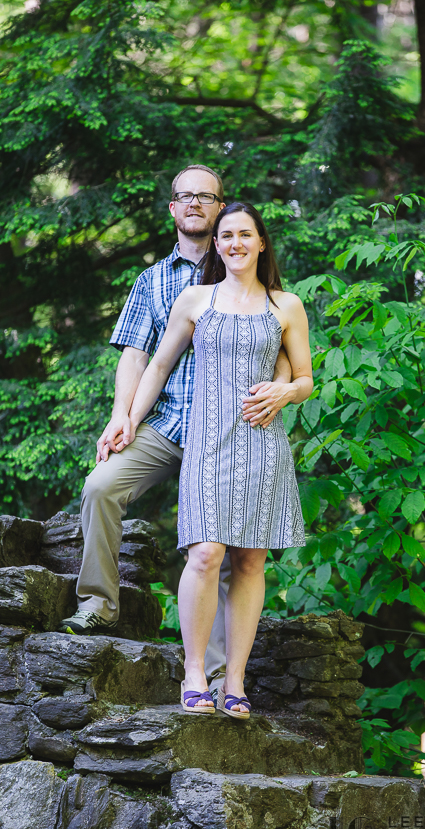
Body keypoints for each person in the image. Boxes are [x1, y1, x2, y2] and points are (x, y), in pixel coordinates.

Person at [58, 166, 293, 700]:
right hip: (167, 423)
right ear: (172, 208)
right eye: (184, 196)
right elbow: (139, 357)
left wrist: (278, 390)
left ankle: (215, 674)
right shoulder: (154, 280)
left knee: (227, 551)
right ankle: (98, 603)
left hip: (234, 434)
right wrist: (124, 416)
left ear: (222, 208)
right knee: (101, 486)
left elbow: (283, 342)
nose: (194, 204)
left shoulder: (243, 263)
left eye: (205, 197)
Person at [126, 201, 313, 717]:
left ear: (261, 243)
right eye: (225, 235)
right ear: (216, 244)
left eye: (244, 235)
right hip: (206, 445)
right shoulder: (195, 299)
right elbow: (158, 366)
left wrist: (284, 394)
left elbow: (304, 378)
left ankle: (235, 682)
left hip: (261, 443)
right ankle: (193, 675)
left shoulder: (285, 305)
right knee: (206, 554)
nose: (233, 243)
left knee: (250, 559)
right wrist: (127, 421)